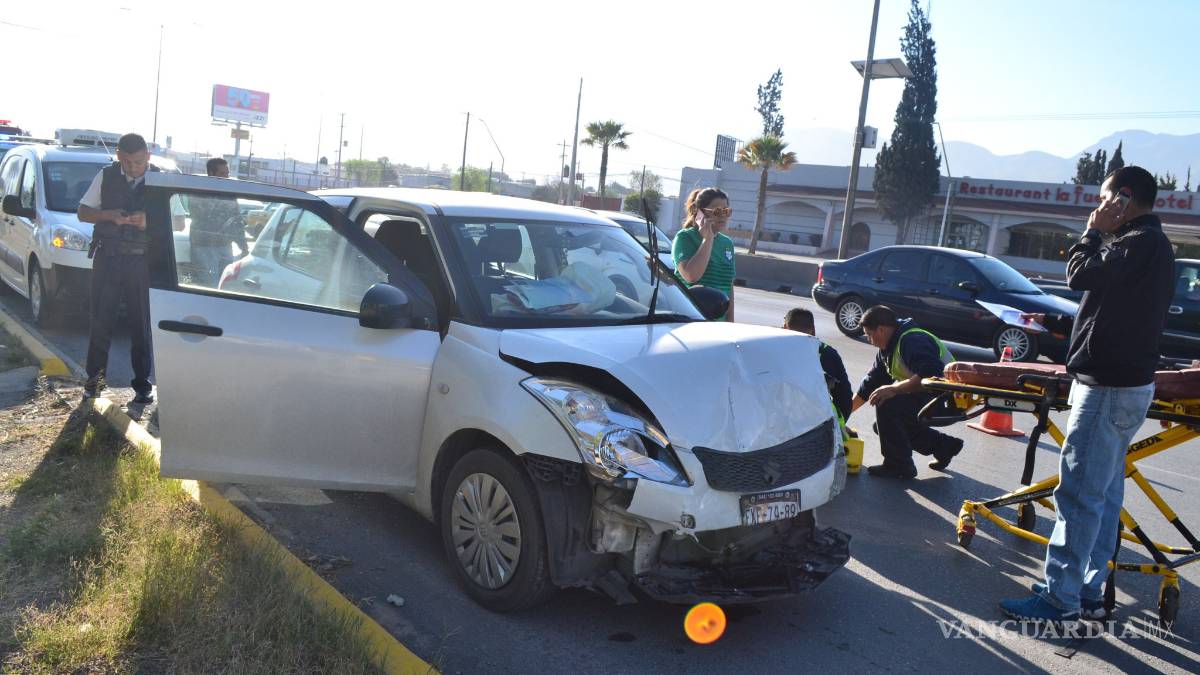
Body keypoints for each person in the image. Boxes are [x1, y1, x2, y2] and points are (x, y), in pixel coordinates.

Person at [1001, 166, 1175, 625]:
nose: (1096, 209)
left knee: (1079, 494)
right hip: (1122, 384)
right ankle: (1086, 589)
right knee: (1102, 493)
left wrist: (1090, 233)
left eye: (1103, 200)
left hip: (1108, 388)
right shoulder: (1149, 245)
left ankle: (1061, 599)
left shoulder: (1136, 242)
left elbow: (1079, 276)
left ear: (1123, 197)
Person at [76, 133, 157, 403]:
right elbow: (83, 212)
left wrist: (148, 221)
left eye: (139, 162)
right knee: (101, 320)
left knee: (140, 325)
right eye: (128, 162)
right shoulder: (106, 175)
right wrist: (109, 215)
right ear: (119, 157)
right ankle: (94, 382)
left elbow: (178, 223)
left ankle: (143, 385)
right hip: (108, 258)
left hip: (140, 261)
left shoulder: (159, 179)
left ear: (148, 155)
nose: (134, 168)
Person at [849, 305, 963, 479]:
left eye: (869, 335)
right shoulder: (889, 348)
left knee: (887, 403)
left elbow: (930, 375)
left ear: (881, 329)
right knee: (883, 426)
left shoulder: (912, 340)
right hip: (931, 397)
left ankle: (899, 466)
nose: (869, 340)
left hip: (949, 400)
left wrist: (894, 389)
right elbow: (871, 384)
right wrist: (843, 414)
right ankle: (943, 446)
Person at [673, 187, 735, 321]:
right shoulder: (685, 237)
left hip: (718, 324)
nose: (722, 216)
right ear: (699, 212)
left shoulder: (727, 243)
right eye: (717, 211)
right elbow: (691, 275)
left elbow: (728, 287)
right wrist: (708, 239)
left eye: (726, 211)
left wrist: (730, 323)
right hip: (690, 320)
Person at [783, 308, 852, 421]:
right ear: (813, 330)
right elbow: (844, 397)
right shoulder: (828, 354)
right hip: (817, 424)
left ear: (785, 328)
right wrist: (839, 426)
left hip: (780, 424)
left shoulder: (775, 351)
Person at [188, 158, 246, 286]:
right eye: (222, 174)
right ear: (211, 173)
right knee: (210, 285)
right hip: (204, 246)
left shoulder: (229, 193)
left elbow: (237, 220)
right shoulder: (199, 192)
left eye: (227, 173)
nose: (226, 177)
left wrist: (243, 245)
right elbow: (202, 215)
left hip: (225, 245)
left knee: (227, 284)